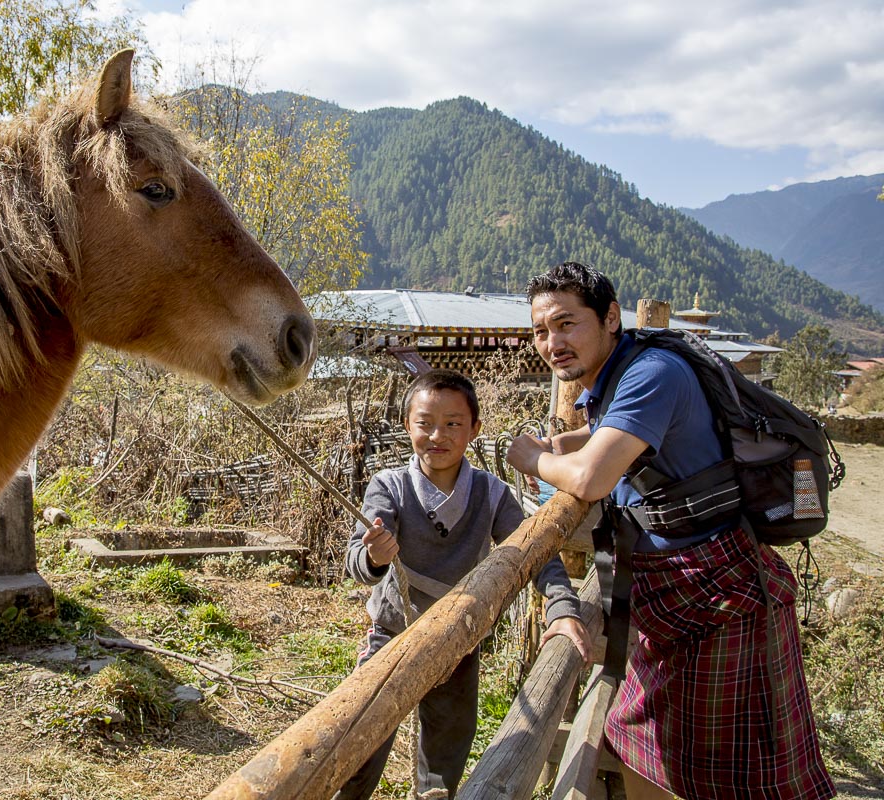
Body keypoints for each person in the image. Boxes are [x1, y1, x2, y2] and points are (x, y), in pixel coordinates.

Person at [505, 261, 835, 800]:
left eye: (567, 324)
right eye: (540, 331)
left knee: (738, 775)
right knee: (640, 742)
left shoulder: (651, 372)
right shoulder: (619, 374)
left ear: (611, 317)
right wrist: (571, 442)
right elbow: (614, 436)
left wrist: (532, 458)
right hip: (679, 595)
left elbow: (592, 478)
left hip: (719, 598)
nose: (552, 342)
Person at [338, 369, 589, 800]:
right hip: (394, 635)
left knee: (445, 757)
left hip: (458, 640)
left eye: (453, 424)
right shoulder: (390, 488)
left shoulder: (491, 495)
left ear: (474, 429)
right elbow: (356, 558)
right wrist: (373, 557)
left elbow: (534, 552)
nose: (438, 435)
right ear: (406, 425)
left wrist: (563, 606)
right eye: (425, 423)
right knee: (360, 742)